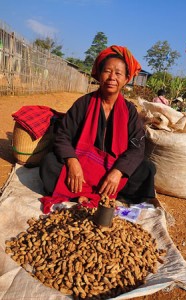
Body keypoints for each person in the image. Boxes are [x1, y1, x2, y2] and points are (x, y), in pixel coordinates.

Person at [39, 45, 156, 212]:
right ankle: (105, 195)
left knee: (147, 170)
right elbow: (62, 135)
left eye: (118, 73)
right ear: (99, 75)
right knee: (49, 163)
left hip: (112, 170)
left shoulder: (129, 111)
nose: (112, 77)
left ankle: (87, 193)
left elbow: (137, 146)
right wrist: (72, 161)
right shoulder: (83, 104)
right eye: (107, 71)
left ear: (125, 79)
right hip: (83, 168)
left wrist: (118, 171)